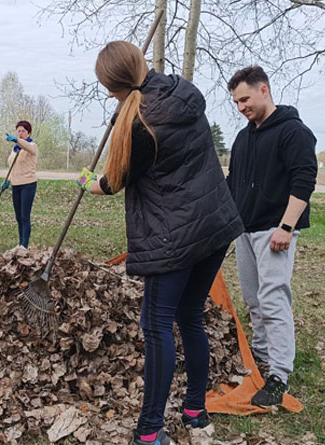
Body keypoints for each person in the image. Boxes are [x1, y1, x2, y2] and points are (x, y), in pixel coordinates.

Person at [76, 41, 244, 445]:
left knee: (156, 327)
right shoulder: (183, 93)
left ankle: (149, 431)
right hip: (214, 226)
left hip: (173, 238)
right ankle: (194, 410)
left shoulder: (138, 123)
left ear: (108, 87)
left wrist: (84, 181)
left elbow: (112, 182)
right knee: (190, 316)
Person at [225, 65, 317, 408]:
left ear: (264, 90)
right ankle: (261, 359)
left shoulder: (294, 132)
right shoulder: (243, 136)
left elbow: (304, 180)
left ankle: (279, 375)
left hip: (275, 230)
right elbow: (233, 183)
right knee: (253, 299)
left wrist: (287, 227)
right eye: (236, 102)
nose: (241, 107)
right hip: (244, 230)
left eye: (245, 99)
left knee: (274, 297)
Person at [1, 120, 38, 248]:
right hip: (15, 185)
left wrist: (17, 140)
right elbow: (13, 167)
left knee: (24, 216)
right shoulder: (15, 149)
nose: (20, 133)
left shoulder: (32, 146)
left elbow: (26, 146)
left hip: (28, 184)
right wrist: (7, 181)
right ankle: (20, 243)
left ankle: (24, 246)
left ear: (28, 133)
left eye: (23, 131)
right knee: (18, 216)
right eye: (18, 131)